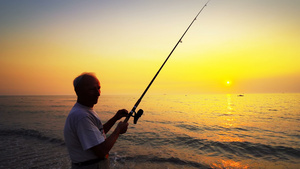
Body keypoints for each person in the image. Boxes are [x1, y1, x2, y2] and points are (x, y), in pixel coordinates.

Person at [64, 72, 129, 169]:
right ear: (78, 91)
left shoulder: (84, 110)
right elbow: (101, 151)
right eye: (92, 89)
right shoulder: (82, 116)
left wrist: (115, 118)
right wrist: (118, 130)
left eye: (98, 88)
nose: (98, 93)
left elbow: (98, 134)